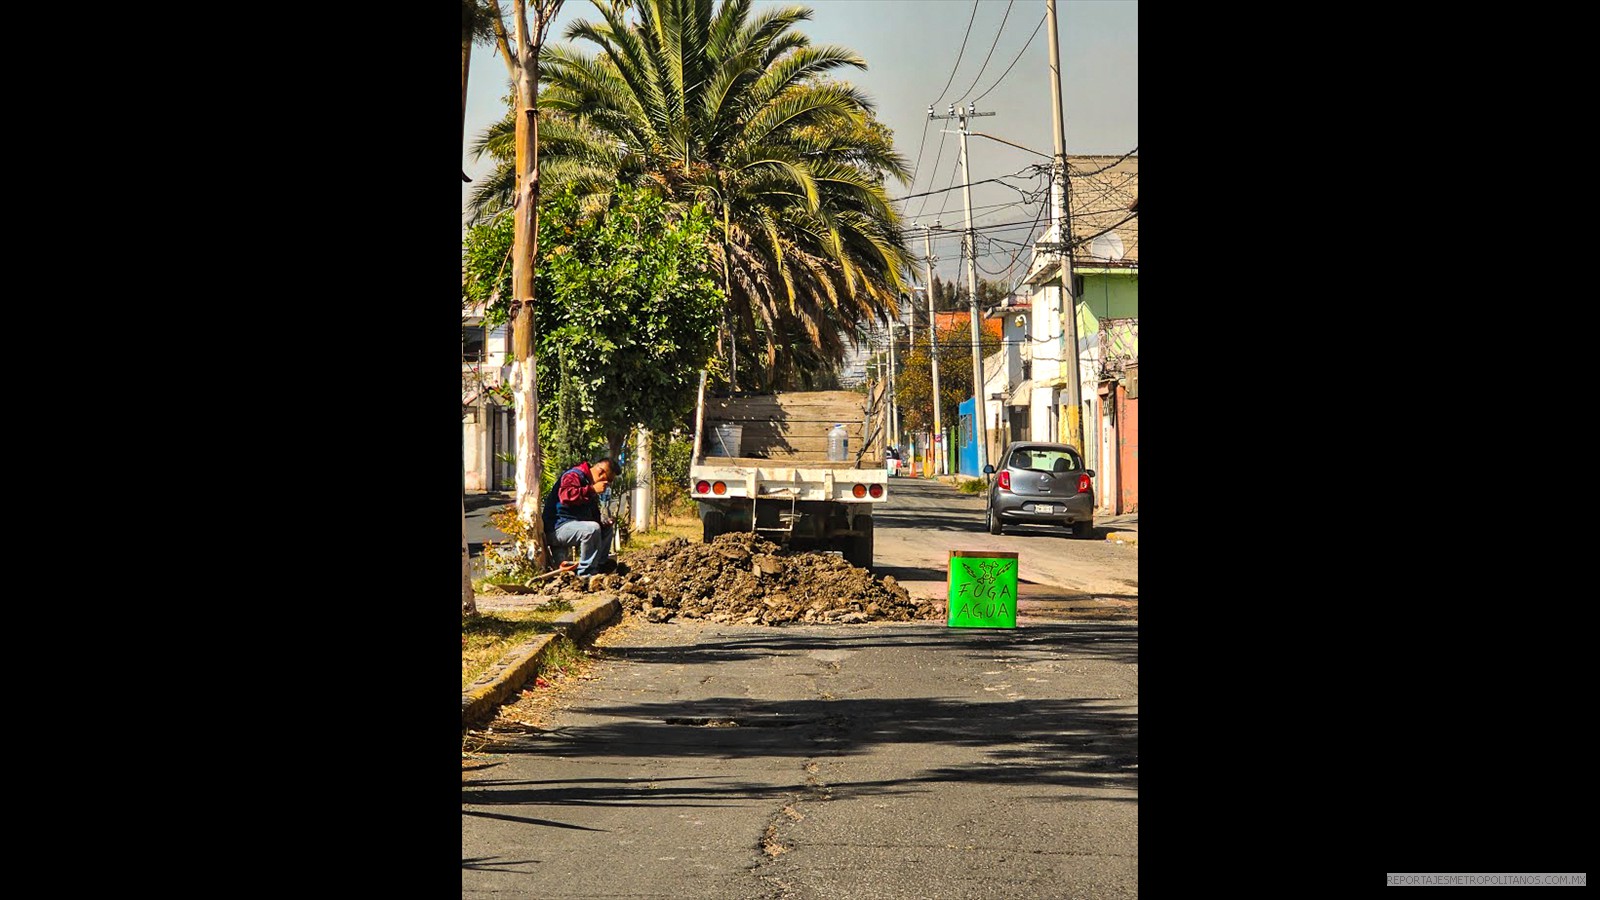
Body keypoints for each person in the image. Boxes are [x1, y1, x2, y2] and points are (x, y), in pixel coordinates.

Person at [547, 457, 618, 576]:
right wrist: (591, 490)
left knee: (605, 529)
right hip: (557, 528)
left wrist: (604, 524)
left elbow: (593, 514)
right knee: (592, 529)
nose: (607, 485)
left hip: (573, 527)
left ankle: (599, 566)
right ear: (601, 473)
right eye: (608, 480)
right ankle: (586, 574)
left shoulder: (589, 484)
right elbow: (566, 496)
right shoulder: (573, 476)